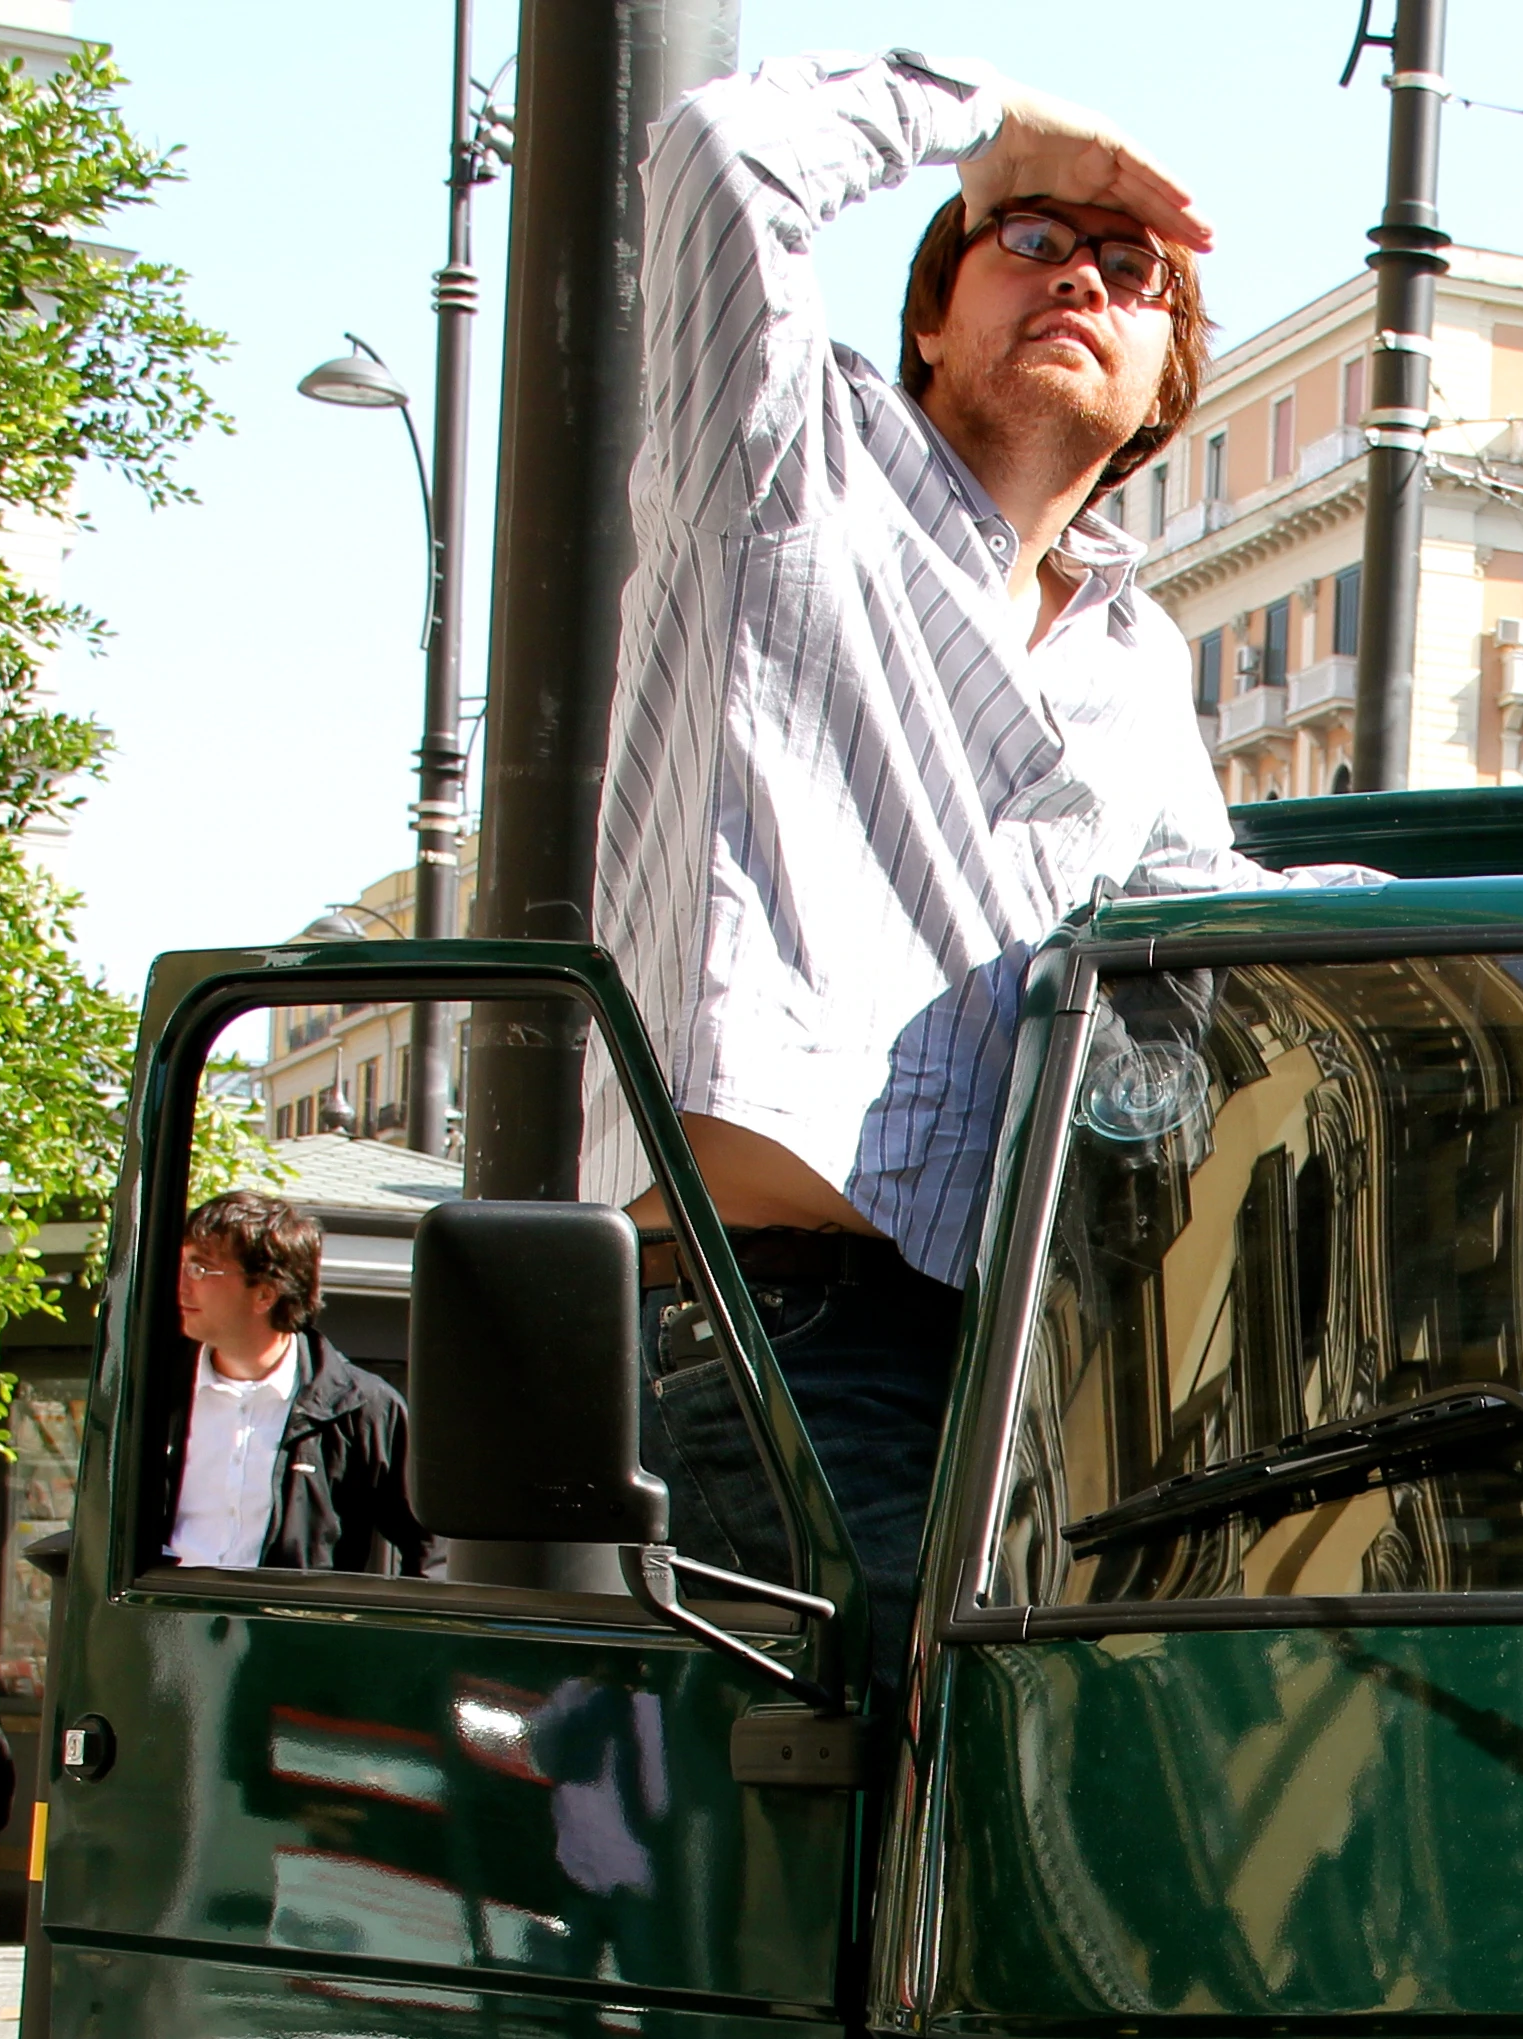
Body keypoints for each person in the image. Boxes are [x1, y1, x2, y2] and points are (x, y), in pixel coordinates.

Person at [593, 50, 1303, 1591]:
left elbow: (1214, 929)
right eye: (1029, 240)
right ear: (929, 317)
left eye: (1134, 275)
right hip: (767, 1320)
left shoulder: (1137, 659)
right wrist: (991, 124)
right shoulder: (789, 465)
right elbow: (721, 153)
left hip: (1016, 1368)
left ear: (1163, 394)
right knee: (912, 1738)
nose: (1081, 278)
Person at [156, 1188, 424, 1573]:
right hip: (165, 1611)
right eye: (181, 1265)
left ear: (265, 1293)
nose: (180, 1285)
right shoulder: (148, 1393)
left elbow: (431, 1553)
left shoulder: (361, 1409)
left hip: (290, 1615)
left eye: (199, 1269)